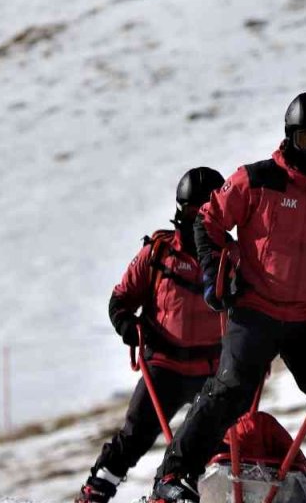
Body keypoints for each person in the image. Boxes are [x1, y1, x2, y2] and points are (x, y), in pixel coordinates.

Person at [150, 91, 306, 503]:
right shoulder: (257, 179)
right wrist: (215, 274)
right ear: (290, 138)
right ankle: (173, 478)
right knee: (228, 391)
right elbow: (209, 220)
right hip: (255, 309)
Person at [75, 167, 228, 503]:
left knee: (222, 445)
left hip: (211, 372)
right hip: (164, 366)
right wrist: (127, 325)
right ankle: (96, 491)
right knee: (135, 437)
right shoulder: (158, 254)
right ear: (180, 211)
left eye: (207, 212)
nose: (199, 221)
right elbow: (121, 300)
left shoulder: (232, 259)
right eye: (193, 212)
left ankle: (193, 493)